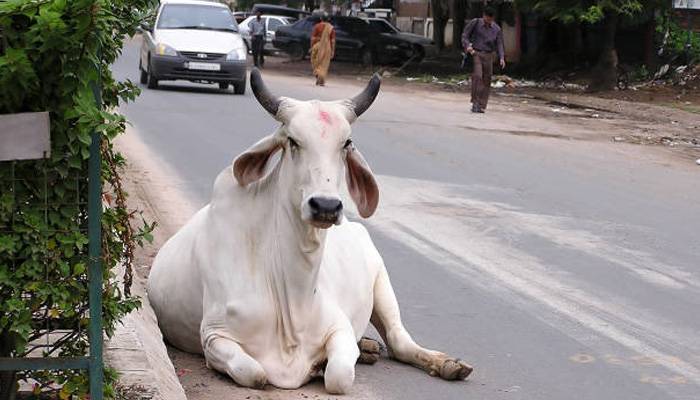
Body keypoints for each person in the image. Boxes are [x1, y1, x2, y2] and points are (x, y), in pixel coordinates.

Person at [461, 7, 506, 113]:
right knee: (478, 76)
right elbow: (465, 35)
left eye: (490, 19)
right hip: (476, 53)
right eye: (486, 18)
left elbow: (499, 43)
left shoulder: (496, 29)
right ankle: (475, 103)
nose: (488, 21)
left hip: (489, 55)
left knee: (487, 79)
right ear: (483, 15)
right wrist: (467, 46)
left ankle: (481, 105)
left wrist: (502, 57)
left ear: (493, 18)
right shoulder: (475, 23)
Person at [310, 14, 335, 86]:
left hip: (317, 46)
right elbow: (333, 41)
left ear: (321, 18)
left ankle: (318, 74)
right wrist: (332, 51)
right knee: (324, 64)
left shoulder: (317, 26)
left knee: (314, 61)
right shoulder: (331, 28)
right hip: (327, 47)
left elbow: (313, 38)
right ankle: (321, 78)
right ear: (328, 19)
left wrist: (311, 46)